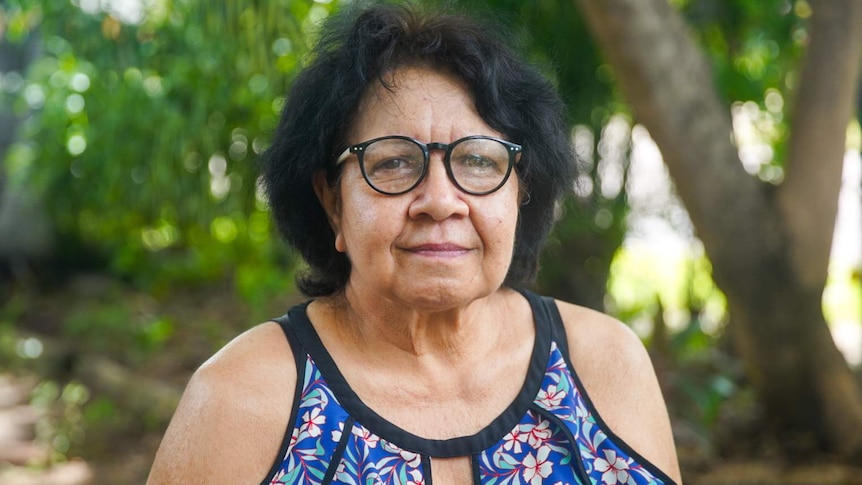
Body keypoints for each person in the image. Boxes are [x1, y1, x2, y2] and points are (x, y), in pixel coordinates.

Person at [147, 2, 681, 484]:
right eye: (394, 161)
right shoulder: (239, 401)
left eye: (477, 160)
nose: (440, 201)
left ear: (521, 192)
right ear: (332, 202)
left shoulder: (605, 363)